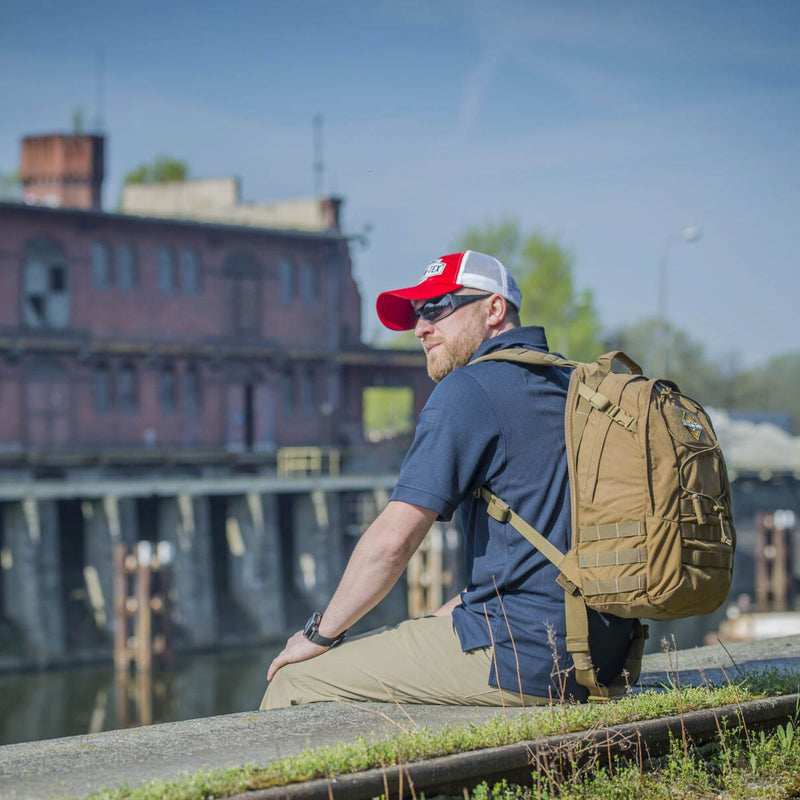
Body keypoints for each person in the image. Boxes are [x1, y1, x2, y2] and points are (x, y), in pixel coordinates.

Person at [260, 250, 635, 709]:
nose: (420, 328)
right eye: (419, 314)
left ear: (494, 309)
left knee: (295, 682)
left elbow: (393, 542)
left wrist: (318, 635)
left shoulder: (469, 389)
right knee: (419, 630)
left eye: (437, 308)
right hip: (606, 654)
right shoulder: (571, 384)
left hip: (526, 660)